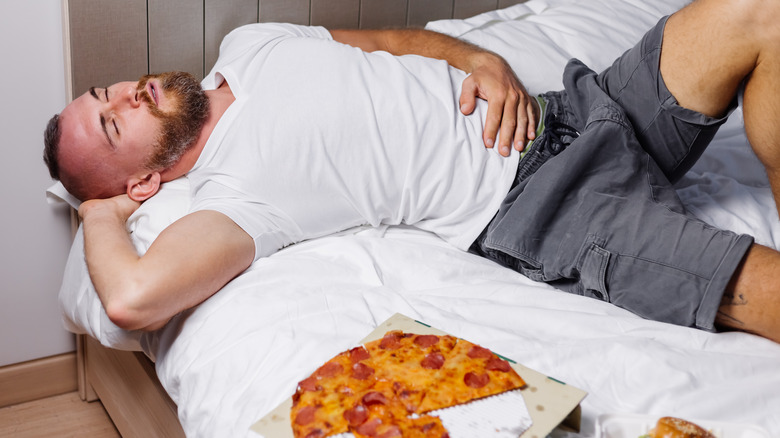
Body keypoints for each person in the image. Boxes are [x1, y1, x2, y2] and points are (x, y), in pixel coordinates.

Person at [43, 0, 780, 344]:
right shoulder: (231, 200)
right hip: (555, 210)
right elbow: (131, 300)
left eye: (108, 90)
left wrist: (481, 60)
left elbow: (398, 37)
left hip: (581, 107)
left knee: (758, 12)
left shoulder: (253, 41)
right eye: (115, 123)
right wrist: (98, 212)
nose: (129, 93)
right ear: (140, 183)